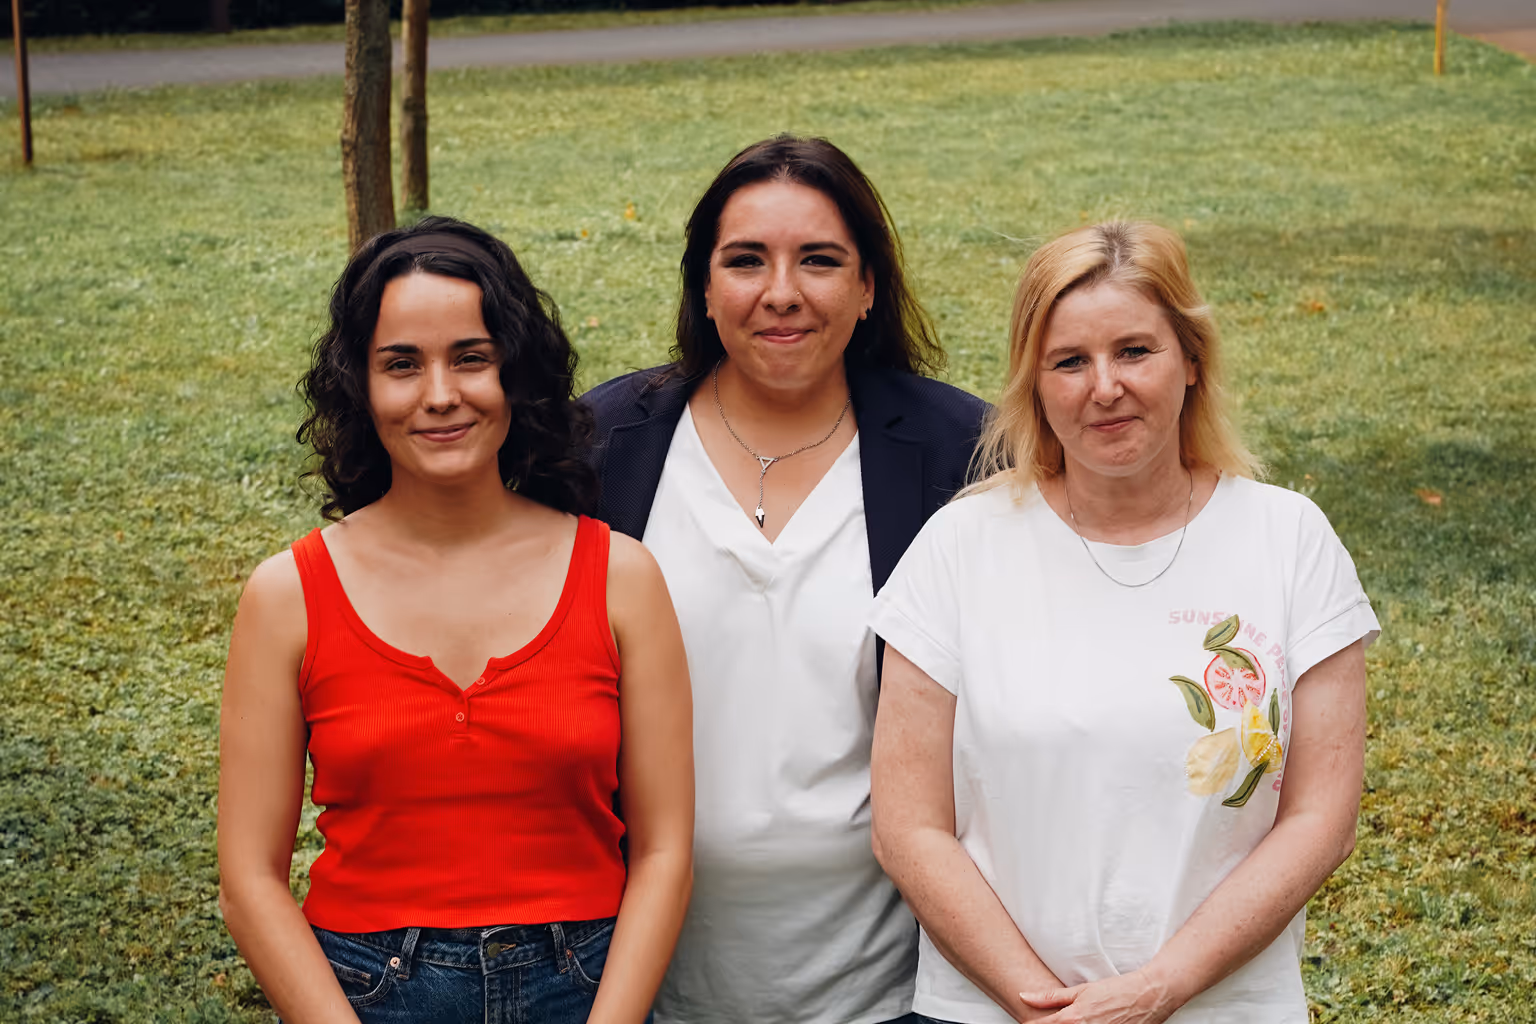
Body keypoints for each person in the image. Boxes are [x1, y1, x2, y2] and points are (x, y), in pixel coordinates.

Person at [868, 220, 1377, 1024]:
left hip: (1224, 1008)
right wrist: (1041, 1006)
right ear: (1034, 384)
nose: (1104, 387)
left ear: (1192, 359)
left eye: (1135, 351)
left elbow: (1321, 820)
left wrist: (1159, 988)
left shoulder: (1289, 540)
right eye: (1069, 361)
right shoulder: (960, 547)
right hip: (992, 1009)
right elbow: (907, 828)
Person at [217, 216, 694, 1024]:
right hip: (366, 993)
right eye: (401, 364)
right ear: (361, 387)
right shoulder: (287, 595)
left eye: (471, 357)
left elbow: (664, 850)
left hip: (585, 988)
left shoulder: (621, 579)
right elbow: (248, 880)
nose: (440, 395)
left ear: (517, 373)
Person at [582, 135, 988, 1024]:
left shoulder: (963, 456)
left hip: (888, 991)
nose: (781, 292)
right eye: (745, 260)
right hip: (638, 988)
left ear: (869, 285)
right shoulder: (602, 449)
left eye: (819, 260)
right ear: (703, 285)